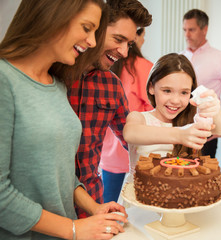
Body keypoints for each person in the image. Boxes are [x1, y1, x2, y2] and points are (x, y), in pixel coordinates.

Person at [0, 0, 127, 239]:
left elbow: (61, 173)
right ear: (52, 16)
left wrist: (94, 208)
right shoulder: (4, 80)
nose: (91, 42)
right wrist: (74, 229)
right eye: (87, 28)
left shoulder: (56, 85)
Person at [67, 0, 152, 218]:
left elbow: (130, 138)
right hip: (49, 205)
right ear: (96, 28)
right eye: (118, 39)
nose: (124, 52)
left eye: (129, 43)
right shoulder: (55, 73)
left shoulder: (112, 85)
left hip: (92, 204)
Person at [123, 53, 221, 183]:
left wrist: (214, 110)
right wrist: (181, 134)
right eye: (167, 91)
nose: (175, 100)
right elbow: (130, 133)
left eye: (184, 92)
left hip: (177, 198)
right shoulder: (139, 118)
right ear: (151, 87)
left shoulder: (191, 122)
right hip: (139, 197)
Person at [100, 28, 154, 203]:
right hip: (137, 150)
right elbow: (154, 112)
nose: (144, 40)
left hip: (108, 151)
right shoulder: (144, 67)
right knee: (139, 208)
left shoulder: (104, 66)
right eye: (143, 35)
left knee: (107, 206)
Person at [181, 9, 221, 158]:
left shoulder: (220, 58)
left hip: (208, 130)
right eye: (185, 30)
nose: (187, 35)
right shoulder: (180, 57)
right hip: (181, 128)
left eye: (191, 30)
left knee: (203, 176)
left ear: (204, 29)